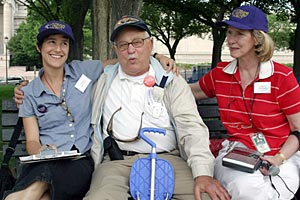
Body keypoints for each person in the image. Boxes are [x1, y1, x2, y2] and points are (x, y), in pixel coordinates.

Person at [5, 20, 175, 200]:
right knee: (43, 193)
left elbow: (126, 58)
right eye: (51, 42)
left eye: (64, 43)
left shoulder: (82, 71)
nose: (58, 49)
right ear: (39, 47)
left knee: (37, 188)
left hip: (78, 162)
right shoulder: (29, 93)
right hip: (44, 161)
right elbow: (31, 141)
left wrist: (155, 55)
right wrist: (41, 150)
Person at [83, 15, 230, 200]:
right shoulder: (103, 80)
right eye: (123, 45)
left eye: (137, 42)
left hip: (168, 160)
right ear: (116, 49)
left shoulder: (171, 81)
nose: (130, 50)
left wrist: (203, 173)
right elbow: (67, 73)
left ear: (150, 44)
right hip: (117, 163)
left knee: (207, 196)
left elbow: (191, 127)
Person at [190, 5, 300, 200]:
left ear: (257, 39)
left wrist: (279, 158)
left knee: (279, 189)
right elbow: (186, 92)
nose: (230, 40)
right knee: (246, 189)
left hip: (282, 154)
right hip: (237, 152)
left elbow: (298, 130)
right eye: (229, 33)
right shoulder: (220, 75)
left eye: (239, 34)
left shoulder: (282, 77)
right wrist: (159, 63)